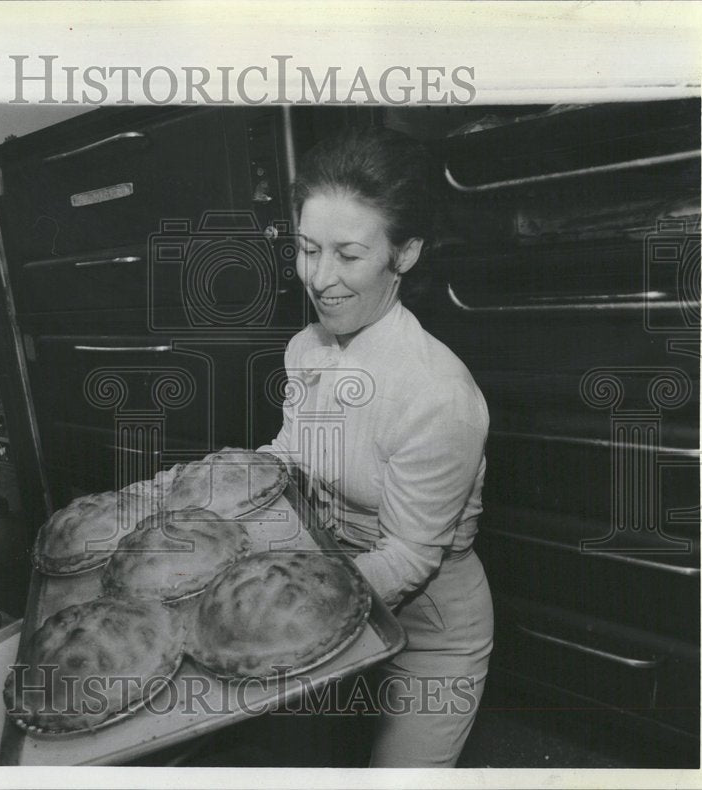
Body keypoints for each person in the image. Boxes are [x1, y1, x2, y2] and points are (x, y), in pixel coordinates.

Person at [258, 125, 493, 767]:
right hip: (335, 583)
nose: (320, 277)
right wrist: (227, 490)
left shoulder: (436, 394)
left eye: (349, 254)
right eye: (308, 249)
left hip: (431, 624)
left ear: (405, 254)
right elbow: (291, 454)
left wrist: (284, 599)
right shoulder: (305, 348)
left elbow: (413, 556)